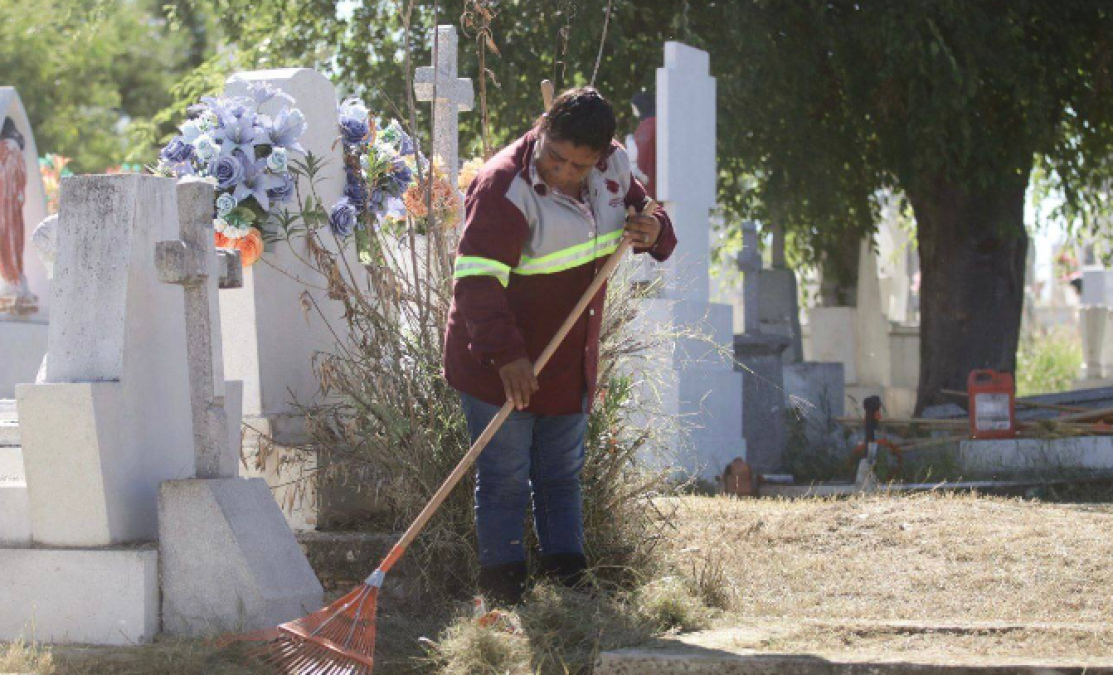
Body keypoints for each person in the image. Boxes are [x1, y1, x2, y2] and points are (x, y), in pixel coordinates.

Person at [442, 87, 677, 606]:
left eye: (577, 165)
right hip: (496, 359)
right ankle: (503, 603)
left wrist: (653, 230)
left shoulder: (612, 168)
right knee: (504, 478)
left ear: (599, 155)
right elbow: (476, 281)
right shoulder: (503, 186)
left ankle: (569, 595)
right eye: (555, 156)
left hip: (568, 359)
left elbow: (650, 217)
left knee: (560, 476)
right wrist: (508, 355)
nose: (563, 172)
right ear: (542, 124)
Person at [629, 91, 657, 200]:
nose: (633, 111)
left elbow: (642, 152)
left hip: (647, 178)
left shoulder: (647, 126)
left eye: (634, 107)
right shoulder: (650, 124)